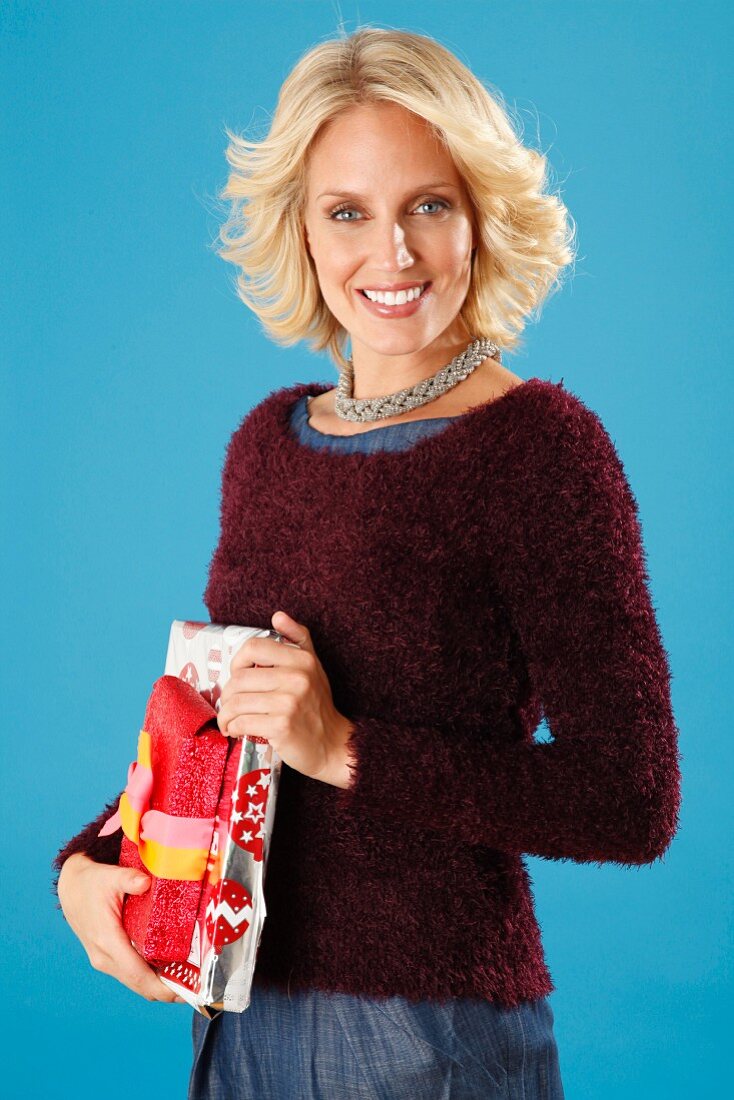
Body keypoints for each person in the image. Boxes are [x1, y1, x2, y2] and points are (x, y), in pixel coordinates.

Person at [53, 26, 682, 1100]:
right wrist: (86, 861)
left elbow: (629, 798)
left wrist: (343, 747)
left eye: (426, 204)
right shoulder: (266, 441)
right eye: (347, 211)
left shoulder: (539, 450)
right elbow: (220, 729)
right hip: (234, 1008)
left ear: (480, 213)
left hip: (422, 1035)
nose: (389, 254)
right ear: (299, 229)